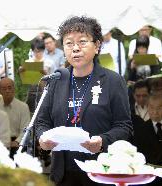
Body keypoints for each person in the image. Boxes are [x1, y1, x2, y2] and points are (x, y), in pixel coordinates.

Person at [35, 16, 133, 185]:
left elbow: (124, 127)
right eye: (69, 43)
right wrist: (43, 139)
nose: (75, 49)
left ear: (97, 46)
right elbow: (41, 122)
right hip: (62, 173)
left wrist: (102, 141)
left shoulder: (113, 81)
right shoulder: (56, 80)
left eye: (82, 42)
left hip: (101, 171)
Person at [133, 93, 162, 186]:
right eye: (151, 107)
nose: (155, 112)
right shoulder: (141, 129)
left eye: (158, 108)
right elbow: (138, 155)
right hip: (150, 179)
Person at [0, 77, 31, 158]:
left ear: (14, 89)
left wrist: (17, 142)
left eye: (10, 88)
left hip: (16, 144)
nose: (7, 91)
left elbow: (26, 129)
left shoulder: (23, 107)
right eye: (4, 88)